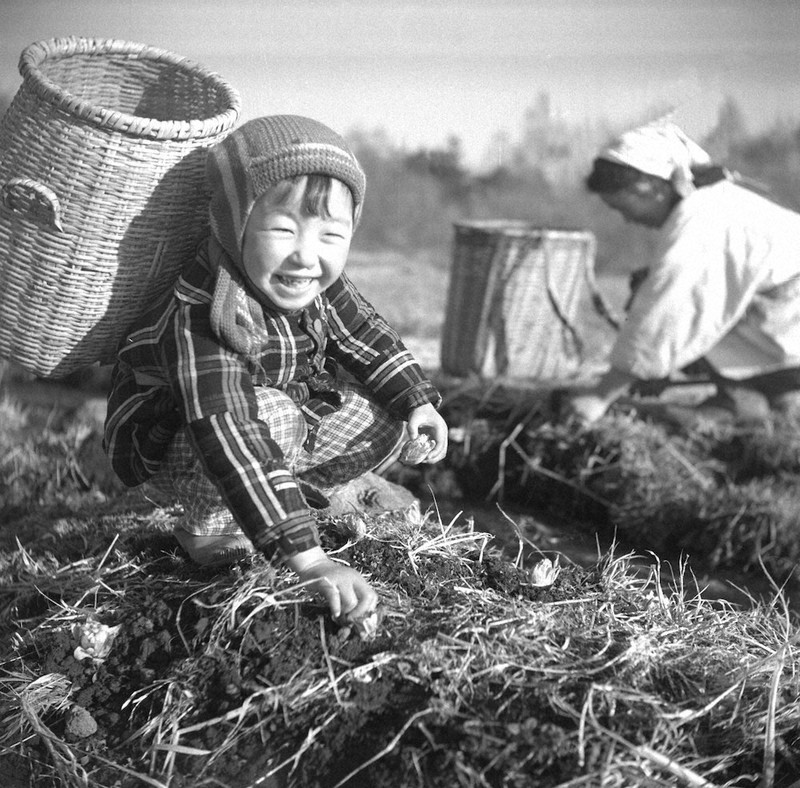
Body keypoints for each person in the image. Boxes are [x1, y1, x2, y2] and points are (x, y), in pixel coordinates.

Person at [103, 115, 448, 623]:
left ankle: (303, 500)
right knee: (274, 417)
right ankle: (211, 527)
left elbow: (367, 337)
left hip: (278, 412)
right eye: (283, 230)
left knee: (384, 418)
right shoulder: (205, 310)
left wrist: (417, 399)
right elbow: (230, 431)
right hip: (183, 440)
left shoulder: (318, 283)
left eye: (332, 235)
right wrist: (309, 560)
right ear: (234, 222)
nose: (307, 256)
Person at [566, 119, 800, 425]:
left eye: (622, 206)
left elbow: (668, 310)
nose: (625, 218)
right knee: (650, 283)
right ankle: (769, 395)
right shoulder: (715, 202)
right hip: (784, 325)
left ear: (646, 186)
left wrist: (601, 396)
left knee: (653, 290)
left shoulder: (703, 221)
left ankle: (748, 401)